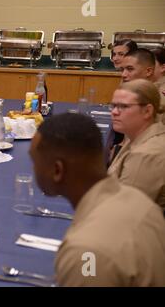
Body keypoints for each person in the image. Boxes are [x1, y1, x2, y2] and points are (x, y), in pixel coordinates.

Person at [29, 112, 165, 286]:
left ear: (57, 170)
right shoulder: (140, 200)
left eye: (34, 161)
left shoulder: (87, 252)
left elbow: (89, 271)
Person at [107, 79, 165, 210]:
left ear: (147, 111)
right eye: (113, 106)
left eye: (124, 106)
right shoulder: (139, 136)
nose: (114, 112)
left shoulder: (146, 155)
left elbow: (124, 212)